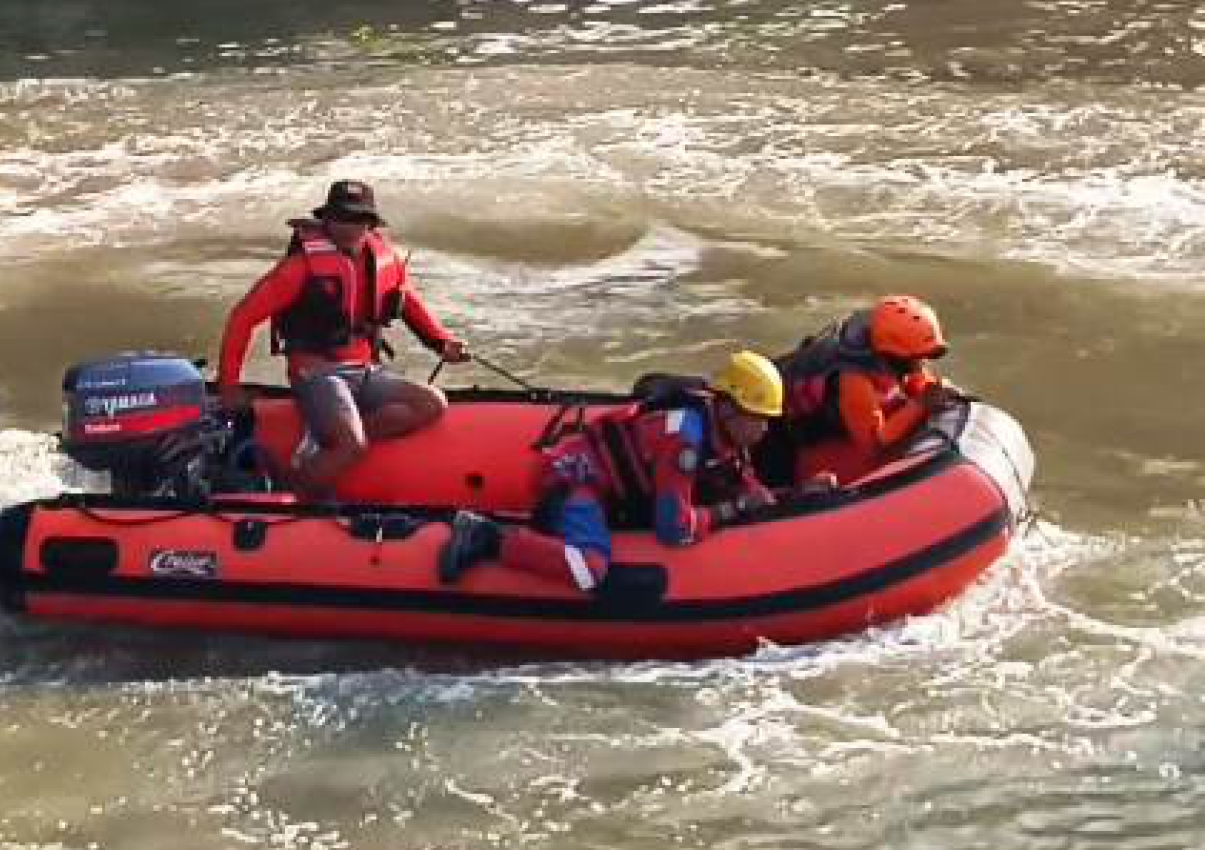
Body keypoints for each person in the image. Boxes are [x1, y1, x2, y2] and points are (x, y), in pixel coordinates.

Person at [437, 350, 789, 591]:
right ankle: (489, 537)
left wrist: (797, 496)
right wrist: (734, 510)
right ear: (728, 409)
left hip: (609, 492)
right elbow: (674, 529)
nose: (765, 430)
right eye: (759, 418)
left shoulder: (722, 434)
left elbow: (749, 488)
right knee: (590, 570)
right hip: (576, 481)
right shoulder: (684, 439)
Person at [215, 179, 469, 498]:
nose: (349, 228)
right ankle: (285, 497)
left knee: (432, 403)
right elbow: (243, 317)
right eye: (340, 218)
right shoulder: (299, 268)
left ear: (371, 224)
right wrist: (228, 386)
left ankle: (322, 448)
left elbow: (410, 304)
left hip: (364, 370)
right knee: (352, 445)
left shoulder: (384, 259)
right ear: (327, 221)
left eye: (358, 220)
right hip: (317, 372)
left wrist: (442, 342)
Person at [764, 294, 954, 484]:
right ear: (895, 355)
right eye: (917, 357)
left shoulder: (885, 356)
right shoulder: (852, 377)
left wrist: (933, 390)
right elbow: (875, 443)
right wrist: (920, 404)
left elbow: (914, 380)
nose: (923, 363)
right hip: (798, 449)